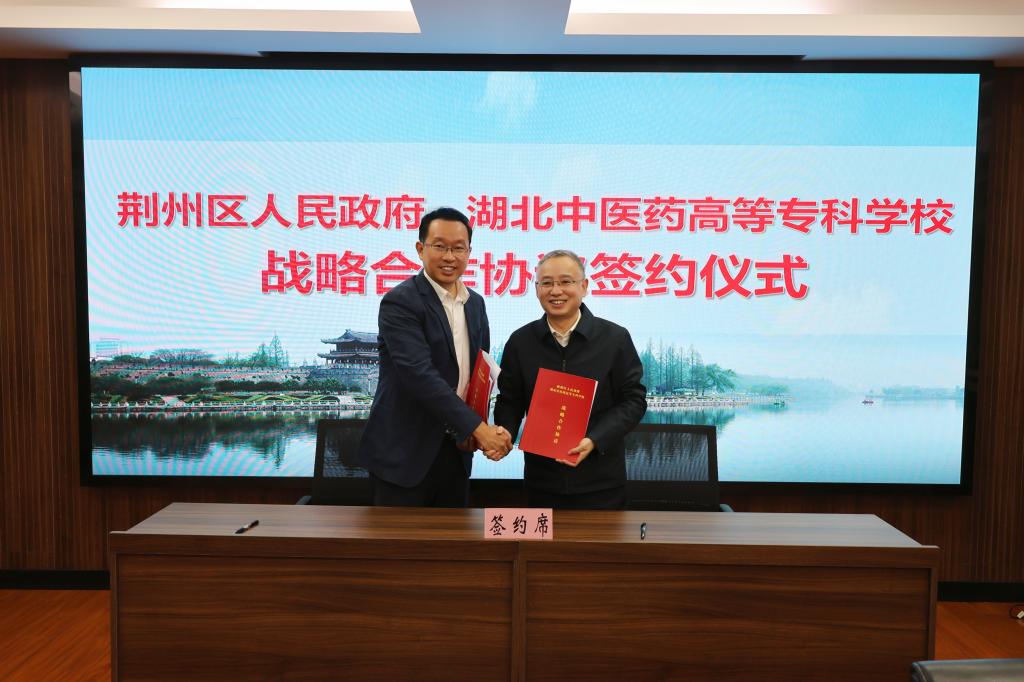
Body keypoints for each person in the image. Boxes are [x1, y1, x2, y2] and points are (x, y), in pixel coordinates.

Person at [356, 207, 511, 507]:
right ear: (420, 249)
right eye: (439, 246)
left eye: (458, 248)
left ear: (469, 252)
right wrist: (479, 429)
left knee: (453, 536)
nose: (449, 257)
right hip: (403, 454)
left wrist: (473, 427)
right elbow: (419, 375)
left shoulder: (475, 304)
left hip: (457, 450)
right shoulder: (400, 301)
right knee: (400, 537)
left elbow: (479, 371)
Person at [492, 249, 647, 510]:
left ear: (583, 286)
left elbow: (634, 401)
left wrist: (595, 439)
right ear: (536, 289)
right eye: (547, 283)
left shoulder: (614, 339)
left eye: (566, 282)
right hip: (542, 482)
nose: (556, 291)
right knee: (542, 539)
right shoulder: (520, 342)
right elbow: (510, 400)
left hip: (601, 482)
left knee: (600, 539)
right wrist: (504, 432)